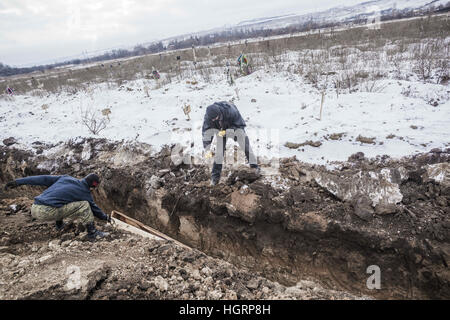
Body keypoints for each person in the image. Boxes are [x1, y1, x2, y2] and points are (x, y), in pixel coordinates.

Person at [4, 173, 110, 241]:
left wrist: (18, 182)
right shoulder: (85, 193)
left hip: (35, 207)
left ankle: (59, 225)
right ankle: (92, 233)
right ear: (94, 185)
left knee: (63, 201)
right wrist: (106, 217)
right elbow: (95, 209)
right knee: (84, 205)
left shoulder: (66, 178)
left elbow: (43, 178)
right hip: (46, 211)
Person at [202, 101, 259, 185]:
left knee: (245, 145)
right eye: (212, 119)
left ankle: (255, 167)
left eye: (215, 118)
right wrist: (207, 148)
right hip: (221, 131)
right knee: (219, 153)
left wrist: (227, 131)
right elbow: (206, 133)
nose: (214, 120)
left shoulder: (231, 111)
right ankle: (215, 178)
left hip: (235, 128)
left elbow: (240, 126)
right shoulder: (208, 118)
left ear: (219, 113)